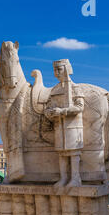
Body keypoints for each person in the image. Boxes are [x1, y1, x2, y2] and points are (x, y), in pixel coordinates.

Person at [44, 59, 84, 188]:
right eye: (54, 70)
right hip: (59, 126)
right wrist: (49, 112)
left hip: (73, 126)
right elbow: (48, 107)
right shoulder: (54, 90)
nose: (56, 73)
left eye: (59, 69)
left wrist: (62, 111)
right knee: (61, 153)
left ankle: (75, 178)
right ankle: (64, 178)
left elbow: (79, 107)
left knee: (73, 153)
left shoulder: (75, 88)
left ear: (66, 70)